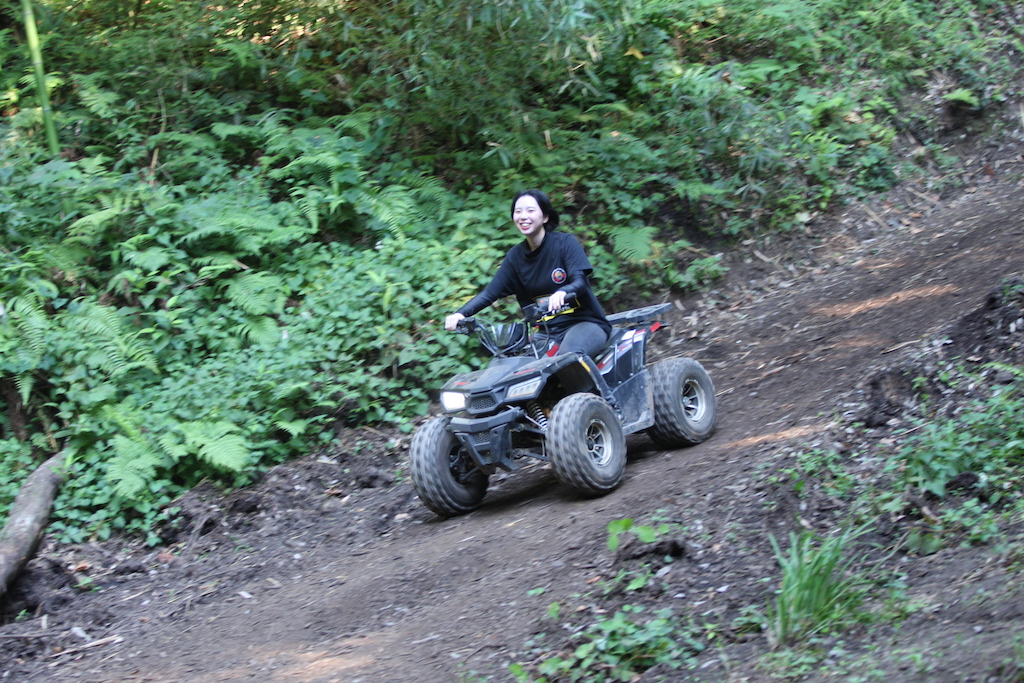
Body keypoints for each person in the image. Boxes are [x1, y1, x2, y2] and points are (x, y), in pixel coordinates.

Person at [445, 189, 611, 358]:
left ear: (545, 217)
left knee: (568, 358)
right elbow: (490, 293)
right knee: (512, 365)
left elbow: (579, 282)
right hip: (547, 332)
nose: (523, 216)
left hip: (585, 323)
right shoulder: (515, 258)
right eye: (518, 211)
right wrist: (461, 314)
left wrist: (563, 291)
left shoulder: (564, 243)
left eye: (530, 210)